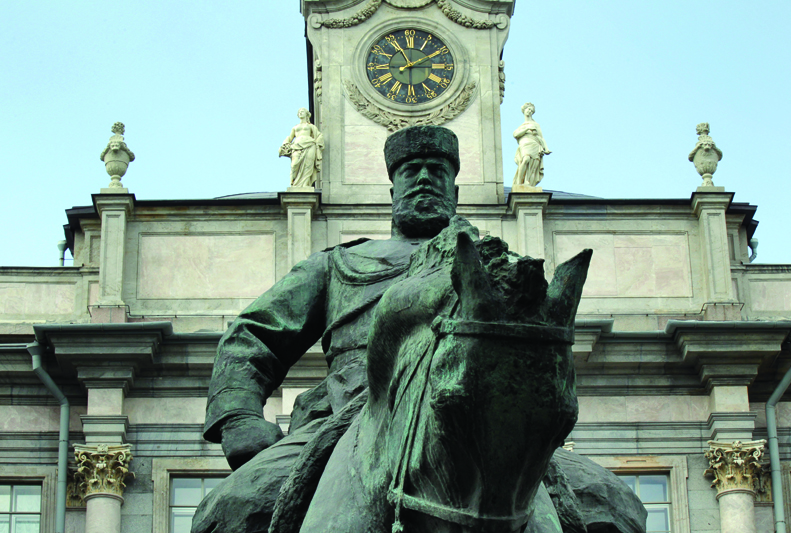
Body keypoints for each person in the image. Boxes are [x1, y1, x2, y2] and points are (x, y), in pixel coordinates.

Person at [193, 126, 645, 533]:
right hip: (352, 412)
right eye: (411, 171)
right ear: (393, 190)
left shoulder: (497, 264)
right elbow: (254, 334)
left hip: (479, 419)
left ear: (455, 189)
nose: (424, 179)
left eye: (437, 171)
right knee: (234, 505)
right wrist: (239, 416)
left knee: (614, 505)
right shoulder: (338, 264)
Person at [280, 108, 324, 188]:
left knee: (308, 165)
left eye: (302, 111)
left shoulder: (311, 126)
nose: (300, 113)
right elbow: (290, 138)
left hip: (309, 145)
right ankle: (294, 184)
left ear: (306, 114)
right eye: (299, 112)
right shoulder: (295, 127)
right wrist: (285, 144)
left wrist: (317, 144)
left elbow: (319, 135)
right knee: (294, 165)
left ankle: (305, 184)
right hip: (296, 146)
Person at [512, 102, 551, 188]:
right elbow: (515, 134)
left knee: (533, 167)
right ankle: (519, 182)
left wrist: (546, 148)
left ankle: (528, 182)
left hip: (535, 144)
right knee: (525, 159)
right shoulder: (522, 126)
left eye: (531, 110)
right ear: (524, 110)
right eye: (528, 109)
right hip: (525, 144)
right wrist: (527, 129)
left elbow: (541, 137)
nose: (530, 111)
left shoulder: (536, 124)